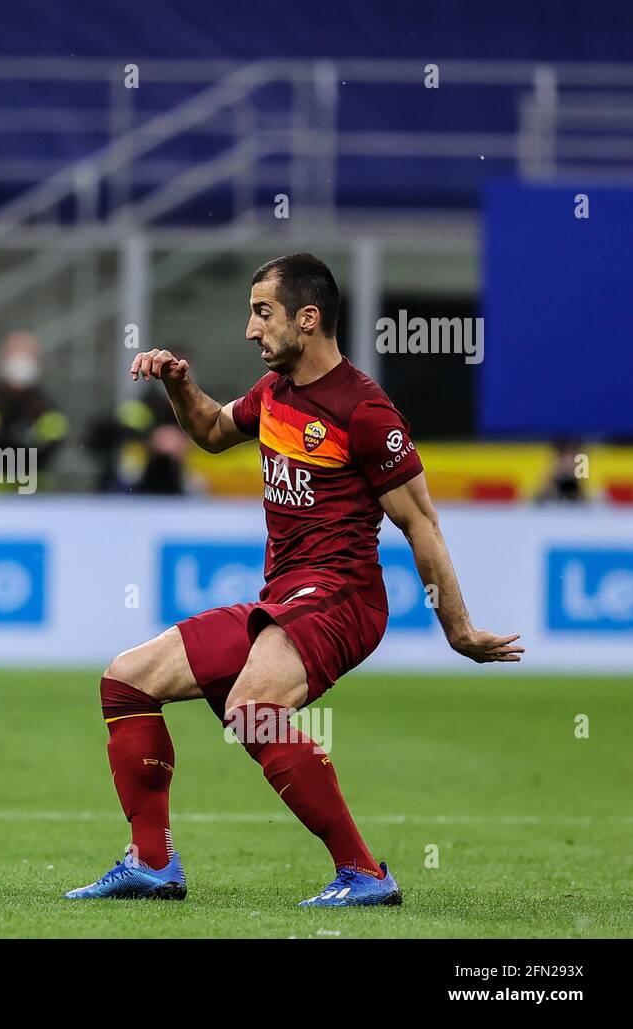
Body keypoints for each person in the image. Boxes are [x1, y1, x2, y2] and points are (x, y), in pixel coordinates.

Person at [64, 253, 523, 907]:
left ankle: (364, 873)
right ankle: (152, 862)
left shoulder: (365, 411)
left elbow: (421, 525)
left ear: (308, 319)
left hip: (342, 598)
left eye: (262, 312)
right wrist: (176, 383)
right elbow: (213, 430)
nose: (251, 330)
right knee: (126, 680)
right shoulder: (274, 393)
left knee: (253, 709)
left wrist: (459, 629)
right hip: (283, 598)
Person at [0, 330, 68, 490]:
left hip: (34, 489)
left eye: (28, 358)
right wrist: (26, 439)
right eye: (16, 357)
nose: (21, 365)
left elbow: (49, 449)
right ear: (2, 361)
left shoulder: (46, 406)